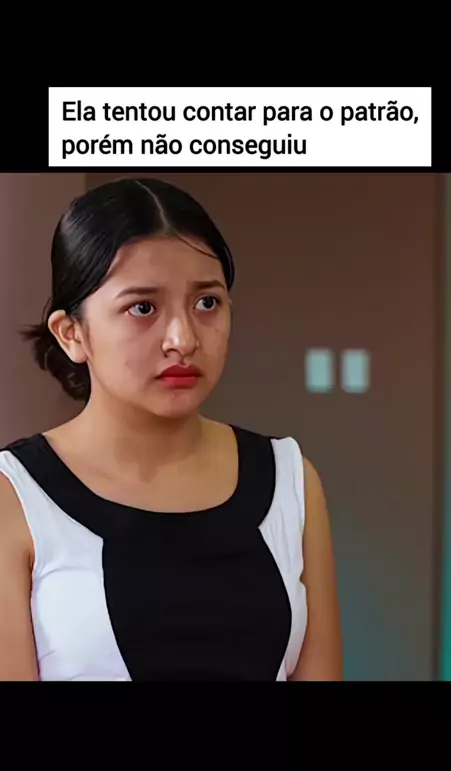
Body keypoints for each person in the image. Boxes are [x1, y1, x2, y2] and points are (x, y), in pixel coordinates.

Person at [0, 177, 342, 682]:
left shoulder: (289, 480)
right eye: (143, 308)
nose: (182, 339)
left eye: (207, 303)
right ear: (71, 334)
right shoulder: (15, 496)